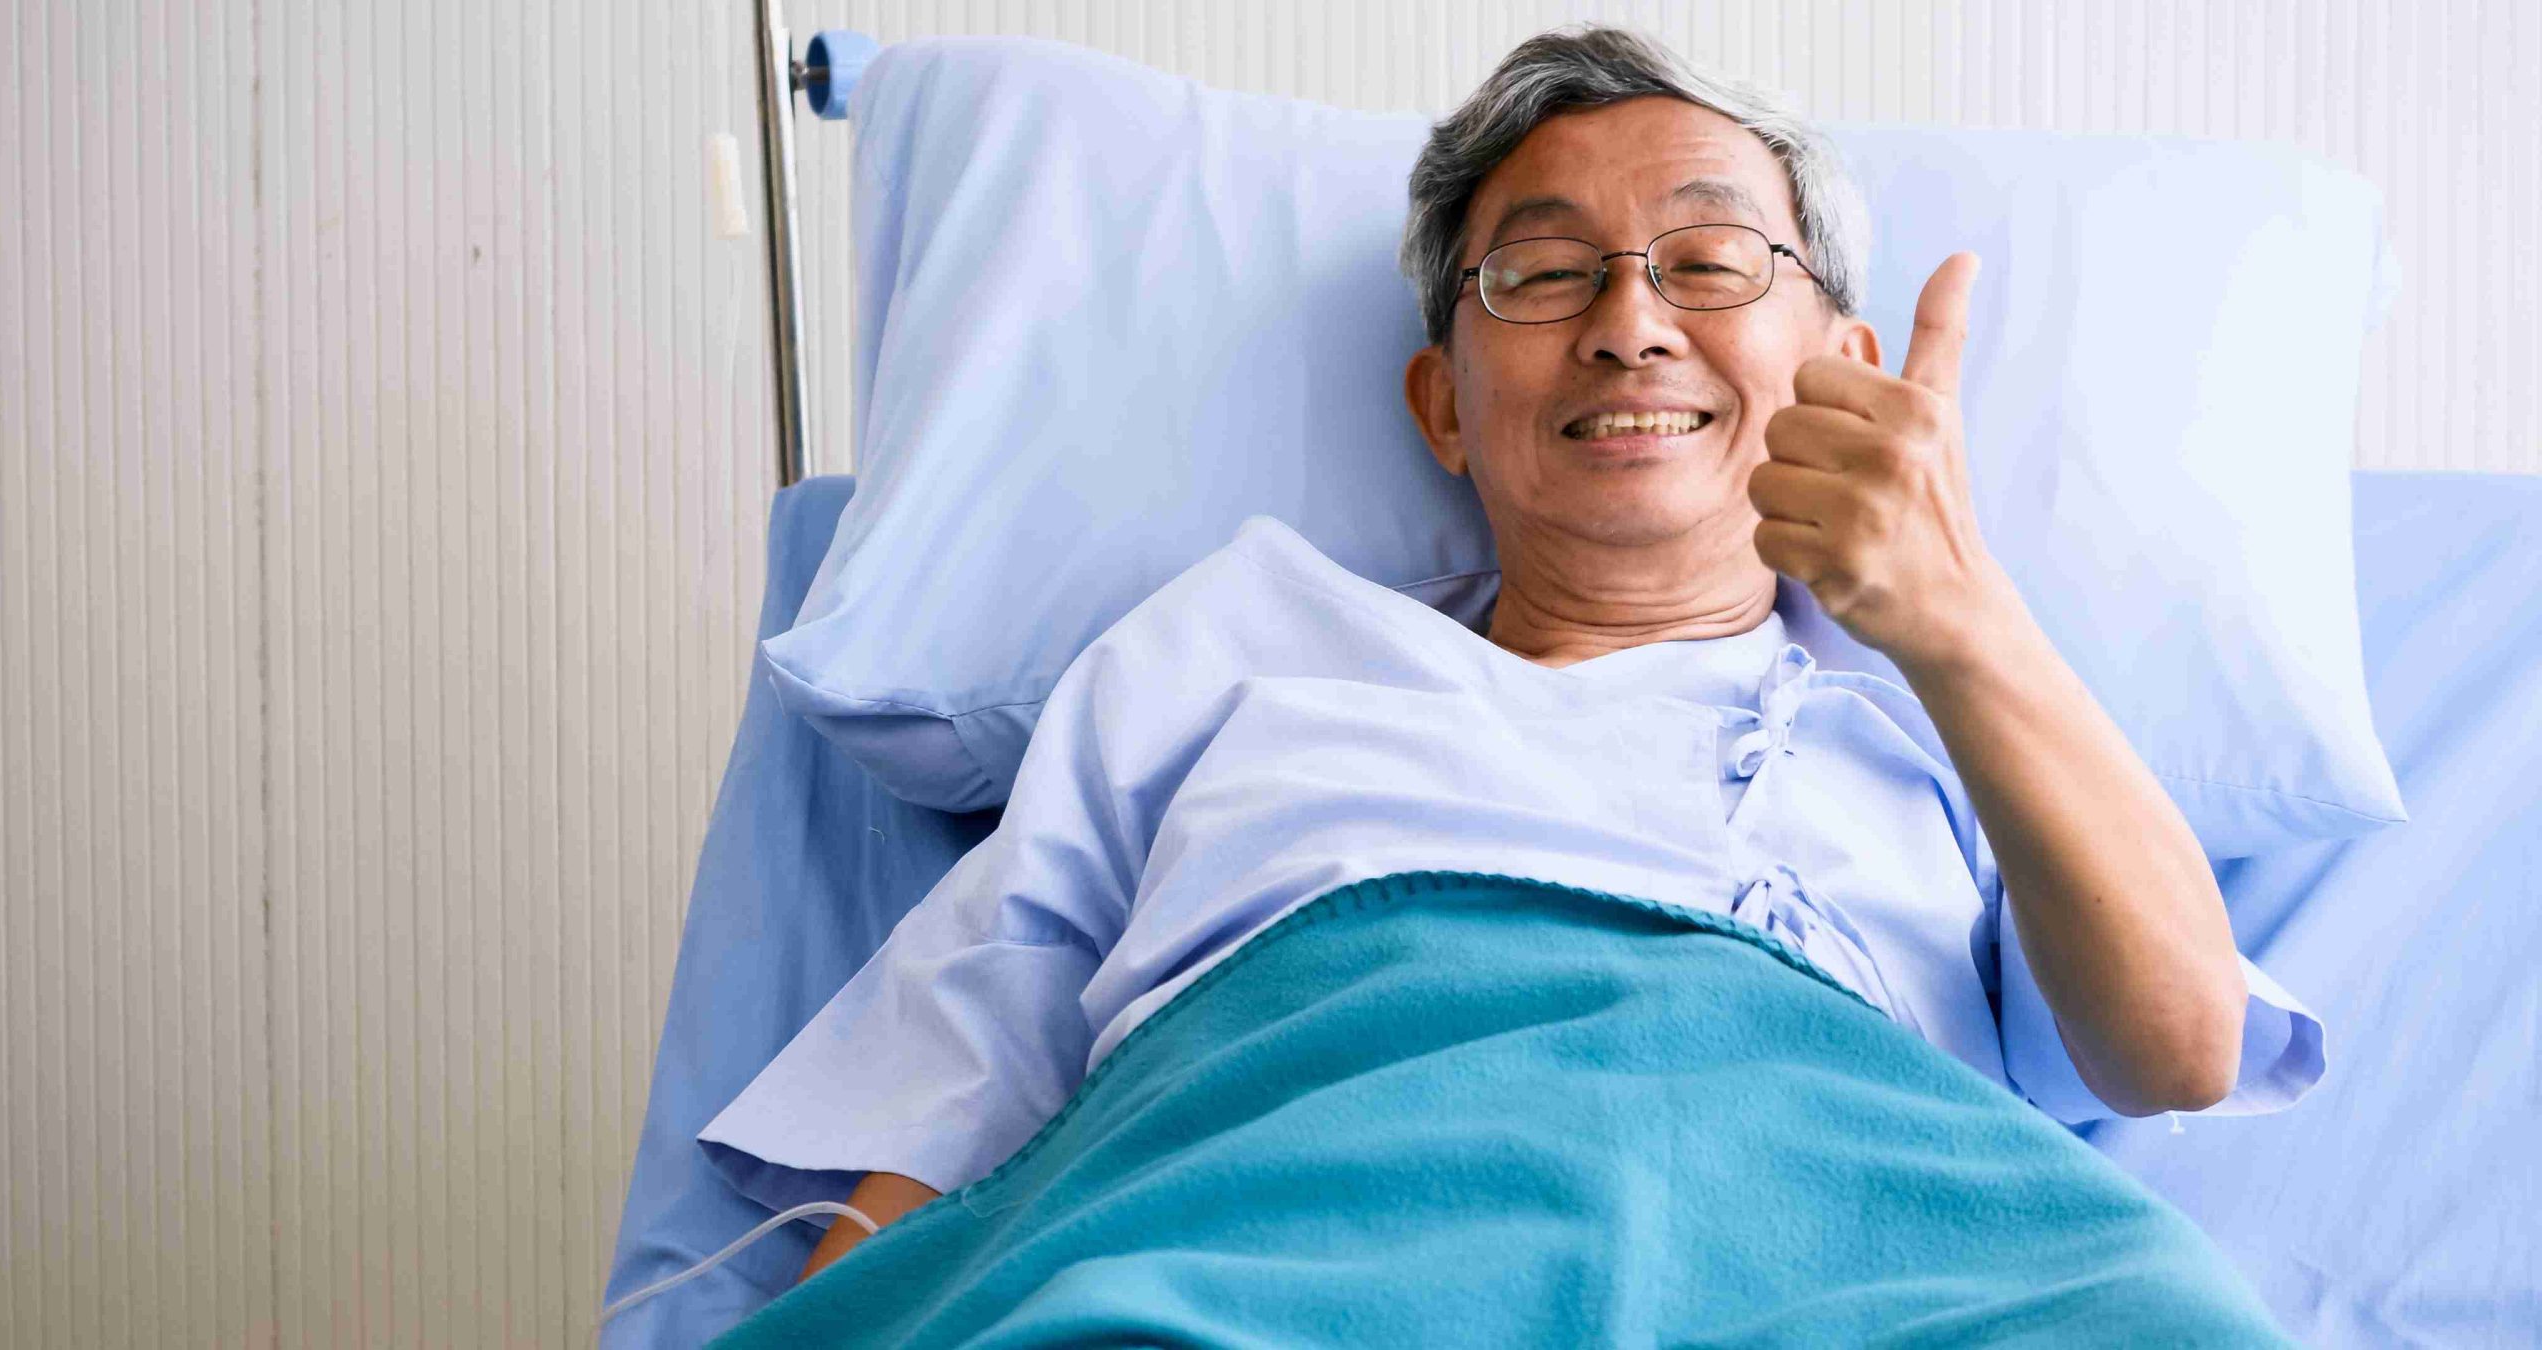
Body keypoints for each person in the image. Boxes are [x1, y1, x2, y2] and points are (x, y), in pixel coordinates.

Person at [698, 23, 2322, 1296]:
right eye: (1544, 272)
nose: (1629, 322)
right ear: (1442, 409)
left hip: (1849, 1249)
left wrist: (1965, 619)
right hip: (1280, 1232)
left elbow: (2173, 1045)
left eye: (1709, 261)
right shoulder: (1233, 653)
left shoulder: (1951, 720)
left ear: (1846, 366)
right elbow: (965, 1063)